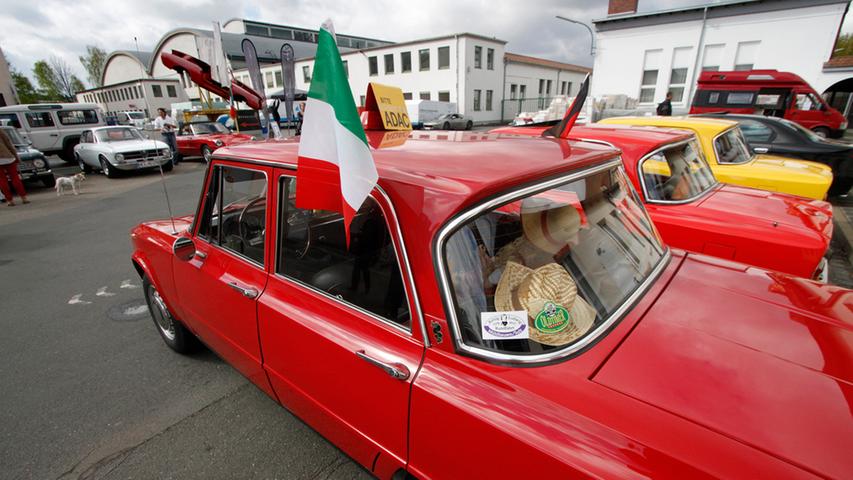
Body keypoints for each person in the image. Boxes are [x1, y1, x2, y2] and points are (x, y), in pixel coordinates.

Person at [0, 129, 29, 206]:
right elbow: (8, 143)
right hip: (7, 157)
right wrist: (15, 156)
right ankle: (23, 198)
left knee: (2, 180)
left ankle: (9, 200)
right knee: (15, 177)